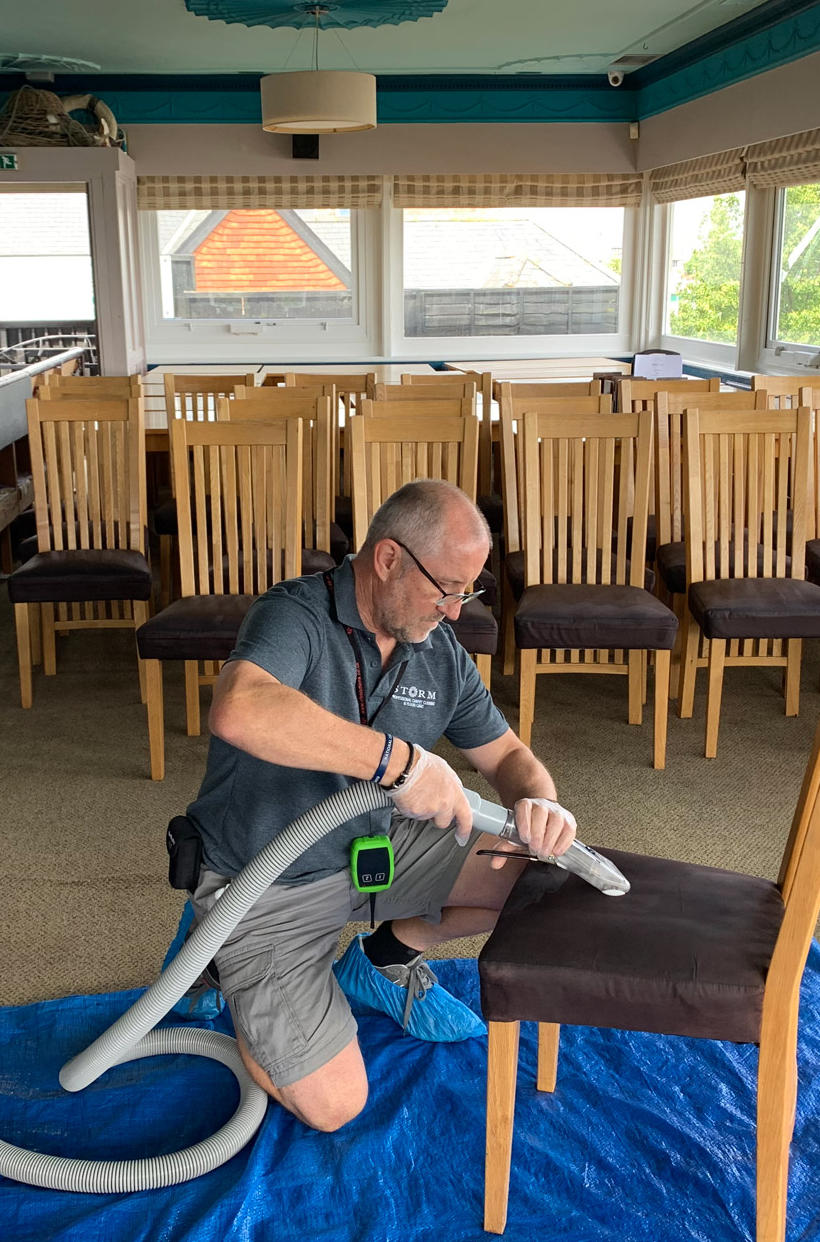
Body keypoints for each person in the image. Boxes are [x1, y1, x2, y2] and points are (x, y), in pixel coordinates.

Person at [178, 478, 579, 1133]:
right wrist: (401, 762)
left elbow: (507, 758)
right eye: (445, 590)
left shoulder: (436, 649)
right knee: (336, 1108)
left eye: (466, 593)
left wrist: (540, 804)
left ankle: (383, 958)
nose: (455, 612)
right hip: (267, 883)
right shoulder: (295, 615)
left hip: (373, 852)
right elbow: (240, 708)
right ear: (389, 559)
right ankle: (216, 953)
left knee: (542, 879)